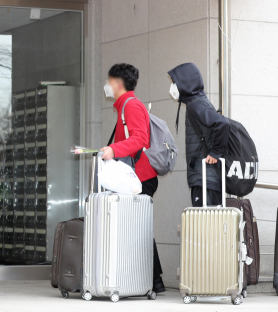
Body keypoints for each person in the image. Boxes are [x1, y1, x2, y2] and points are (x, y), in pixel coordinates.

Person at [99, 63, 165, 293]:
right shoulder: (124, 107)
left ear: (117, 83)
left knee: (138, 227)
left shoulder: (131, 105)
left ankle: (152, 279)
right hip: (136, 178)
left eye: (109, 81)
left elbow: (140, 139)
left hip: (140, 178)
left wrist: (113, 150)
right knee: (139, 226)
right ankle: (154, 279)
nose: (106, 86)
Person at [168, 63, 230, 207]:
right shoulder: (196, 103)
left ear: (185, 82)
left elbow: (222, 123)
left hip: (205, 178)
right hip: (204, 177)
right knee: (207, 225)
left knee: (206, 226)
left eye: (174, 83)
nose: (172, 87)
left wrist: (215, 153)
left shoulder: (197, 104)